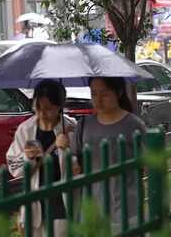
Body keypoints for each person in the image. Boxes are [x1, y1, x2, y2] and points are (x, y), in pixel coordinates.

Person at [59, 77, 146, 232]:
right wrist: (68, 155)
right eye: (93, 94)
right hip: (92, 205)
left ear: (118, 92)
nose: (97, 100)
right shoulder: (84, 124)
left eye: (104, 94)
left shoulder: (133, 125)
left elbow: (146, 165)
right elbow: (76, 159)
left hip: (125, 205)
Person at [6, 79, 78, 237]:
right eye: (37, 107)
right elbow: (13, 167)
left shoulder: (71, 128)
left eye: (48, 109)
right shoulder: (26, 130)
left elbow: (78, 167)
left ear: (59, 107)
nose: (41, 113)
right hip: (34, 204)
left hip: (61, 204)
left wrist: (65, 150)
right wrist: (27, 157)